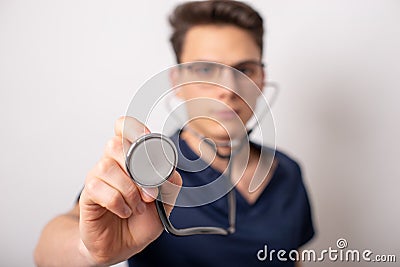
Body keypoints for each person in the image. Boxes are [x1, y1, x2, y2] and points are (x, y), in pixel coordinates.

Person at [34, 1, 315, 266]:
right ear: (177, 81)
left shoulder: (287, 173)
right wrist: (88, 250)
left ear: (261, 80)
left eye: (244, 69)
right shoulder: (150, 169)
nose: (229, 89)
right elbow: (50, 246)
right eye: (206, 69)